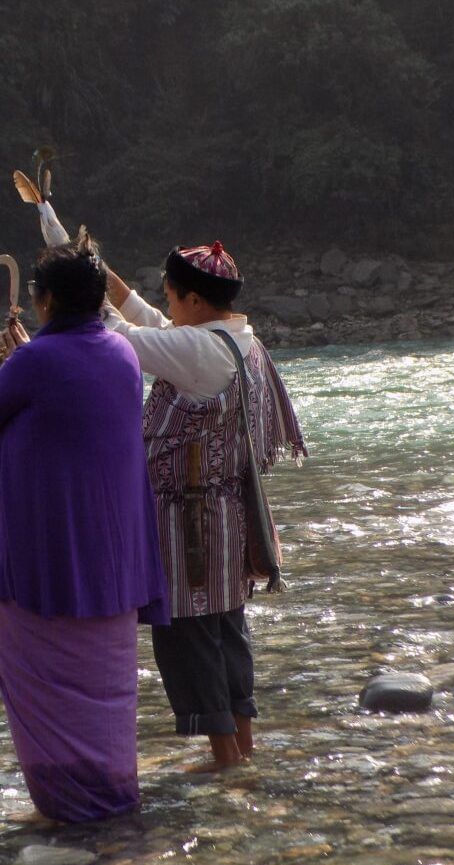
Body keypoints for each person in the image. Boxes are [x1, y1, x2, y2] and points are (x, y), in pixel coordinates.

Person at [0, 234, 169, 822]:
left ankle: (69, 808)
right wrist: (23, 360)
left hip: (42, 558)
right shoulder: (122, 354)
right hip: (110, 559)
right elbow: (63, 390)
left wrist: (12, 361)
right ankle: (111, 796)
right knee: (104, 689)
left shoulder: (33, 360)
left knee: (43, 686)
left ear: (46, 300)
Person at [98, 241, 308, 772]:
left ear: (193, 299)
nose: (164, 304)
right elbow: (149, 322)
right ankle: (243, 749)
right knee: (229, 634)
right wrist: (99, 270)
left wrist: (81, 286)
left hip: (190, 524)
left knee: (192, 640)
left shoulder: (199, 353)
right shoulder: (239, 341)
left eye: (170, 296)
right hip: (229, 518)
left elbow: (126, 337)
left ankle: (225, 763)